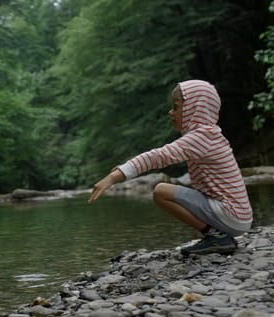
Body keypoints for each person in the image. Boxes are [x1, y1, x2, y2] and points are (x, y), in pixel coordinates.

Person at [87, 80, 253, 256]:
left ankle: (217, 237)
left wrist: (115, 177)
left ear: (194, 109)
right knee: (170, 191)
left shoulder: (201, 137)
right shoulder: (209, 135)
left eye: (176, 107)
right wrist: (124, 168)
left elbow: (159, 156)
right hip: (238, 216)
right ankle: (217, 236)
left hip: (231, 215)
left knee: (162, 191)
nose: (170, 112)